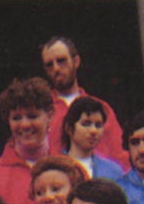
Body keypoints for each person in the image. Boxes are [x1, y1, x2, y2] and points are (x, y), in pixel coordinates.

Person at [41, 36, 130, 169]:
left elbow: (119, 156)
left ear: (76, 61)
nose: (56, 68)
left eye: (61, 61)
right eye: (49, 65)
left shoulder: (102, 108)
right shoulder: (42, 111)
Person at [61, 96, 124, 180]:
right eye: (86, 124)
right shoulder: (55, 169)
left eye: (98, 125)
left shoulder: (113, 171)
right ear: (69, 128)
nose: (93, 131)